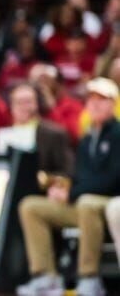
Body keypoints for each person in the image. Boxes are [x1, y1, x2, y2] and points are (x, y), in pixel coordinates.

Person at [17, 78, 120, 296]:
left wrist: (72, 192)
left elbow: (113, 179)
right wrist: (62, 189)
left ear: (113, 104)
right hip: (84, 204)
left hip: (111, 202)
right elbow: (80, 177)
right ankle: (45, 277)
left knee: (86, 203)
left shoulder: (118, 134)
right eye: (91, 100)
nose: (94, 105)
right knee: (31, 206)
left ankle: (89, 277)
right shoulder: (85, 139)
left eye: (101, 100)